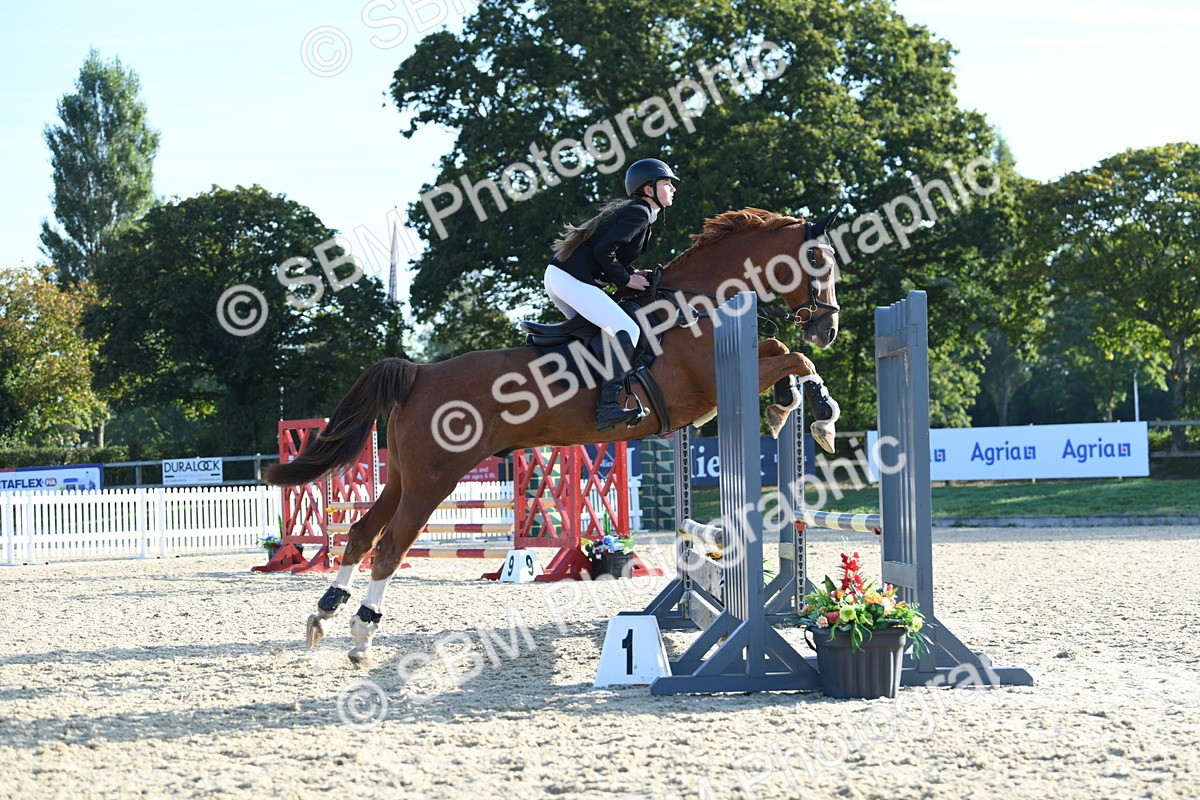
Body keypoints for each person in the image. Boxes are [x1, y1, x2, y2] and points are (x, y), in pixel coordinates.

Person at [545, 157, 680, 431]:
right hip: (571, 280)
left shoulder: (641, 213)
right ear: (648, 189)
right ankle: (606, 408)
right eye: (667, 183)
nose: (673, 189)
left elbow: (610, 252)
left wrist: (631, 272)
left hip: (563, 279)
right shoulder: (639, 212)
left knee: (603, 336)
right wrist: (626, 279)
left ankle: (584, 398)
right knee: (627, 329)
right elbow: (602, 251)